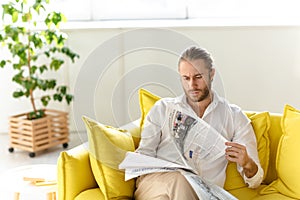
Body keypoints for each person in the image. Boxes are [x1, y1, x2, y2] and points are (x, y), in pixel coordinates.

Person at [134, 46, 263, 200]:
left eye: (198, 77)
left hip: (203, 192)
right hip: (155, 184)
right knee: (180, 180)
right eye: (186, 78)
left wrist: (247, 162)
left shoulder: (234, 116)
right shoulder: (163, 109)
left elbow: (255, 181)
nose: (192, 85)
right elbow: (144, 155)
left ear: (212, 74)